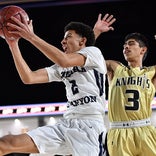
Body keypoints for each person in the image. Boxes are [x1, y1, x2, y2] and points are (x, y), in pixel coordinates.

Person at [0, 13, 116, 156]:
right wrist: (13, 44)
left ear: (82, 41)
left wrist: (31, 36)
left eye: (68, 37)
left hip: (89, 128)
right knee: (6, 143)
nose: (62, 41)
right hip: (65, 125)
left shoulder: (94, 53)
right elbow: (29, 77)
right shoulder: (62, 66)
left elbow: (67, 59)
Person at [93, 13, 156, 155]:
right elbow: (85, 58)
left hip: (145, 130)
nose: (126, 47)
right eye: (124, 45)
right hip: (119, 131)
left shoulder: (152, 72)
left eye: (131, 44)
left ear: (143, 49)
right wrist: (96, 32)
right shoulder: (114, 67)